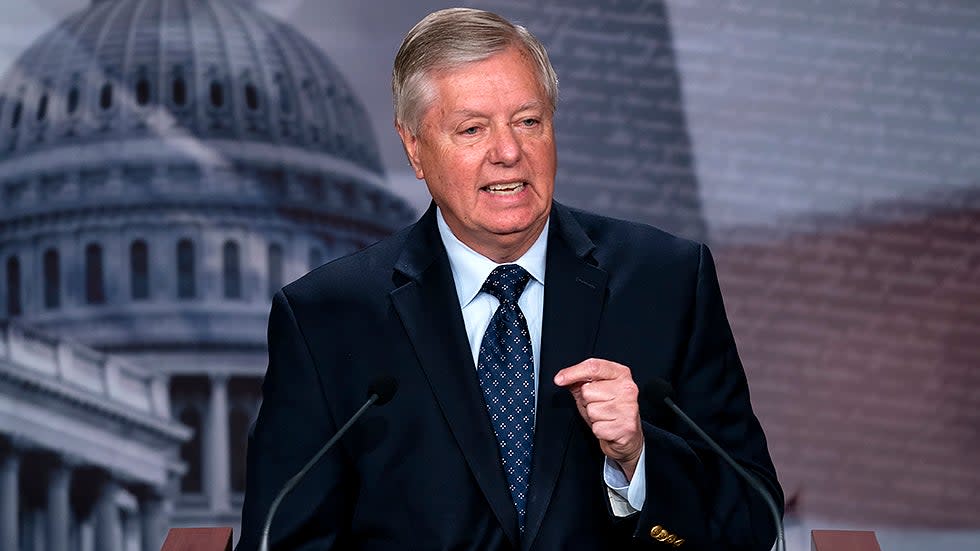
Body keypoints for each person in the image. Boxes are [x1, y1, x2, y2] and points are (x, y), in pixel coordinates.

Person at [237, 8, 781, 550]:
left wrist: (639, 458)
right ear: (413, 148)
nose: (508, 153)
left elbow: (754, 520)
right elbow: (285, 538)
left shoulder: (667, 282)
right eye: (472, 129)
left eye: (528, 121)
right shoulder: (327, 318)